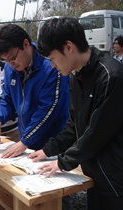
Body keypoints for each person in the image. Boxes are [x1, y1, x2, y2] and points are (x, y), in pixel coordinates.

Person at [28, 17, 123, 210]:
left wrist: (62, 162)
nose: (52, 66)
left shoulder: (110, 75)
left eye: (52, 59)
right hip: (94, 171)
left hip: (115, 174)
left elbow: (97, 131)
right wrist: (48, 150)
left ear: (68, 47)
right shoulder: (75, 77)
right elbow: (74, 124)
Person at [0, 24, 69, 157]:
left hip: (53, 143)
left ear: (26, 44)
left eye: (13, 58)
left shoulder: (51, 66)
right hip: (28, 141)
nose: (10, 63)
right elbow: (6, 97)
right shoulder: (10, 68)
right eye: (6, 60)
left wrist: (25, 140)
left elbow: (48, 109)